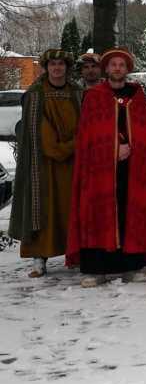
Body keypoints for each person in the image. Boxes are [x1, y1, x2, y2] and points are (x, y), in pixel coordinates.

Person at [67, 48, 146, 287]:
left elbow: (144, 130)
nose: (117, 68)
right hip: (100, 169)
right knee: (98, 210)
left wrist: (132, 148)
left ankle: (131, 266)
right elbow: (89, 135)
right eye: (113, 65)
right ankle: (96, 270)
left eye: (122, 65)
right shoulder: (95, 95)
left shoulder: (137, 95)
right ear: (106, 69)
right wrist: (112, 151)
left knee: (130, 209)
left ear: (127, 70)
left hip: (133, 166)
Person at [8, 49, 81, 278]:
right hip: (44, 164)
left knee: (71, 208)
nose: (57, 68)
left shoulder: (76, 93)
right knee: (43, 208)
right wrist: (65, 147)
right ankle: (40, 258)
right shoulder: (36, 94)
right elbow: (38, 130)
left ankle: (76, 253)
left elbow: (85, 121)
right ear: (46, 67)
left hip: (74, 164)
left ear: (66, 68)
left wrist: (76, 145)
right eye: (53, 64)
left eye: (61, 64)